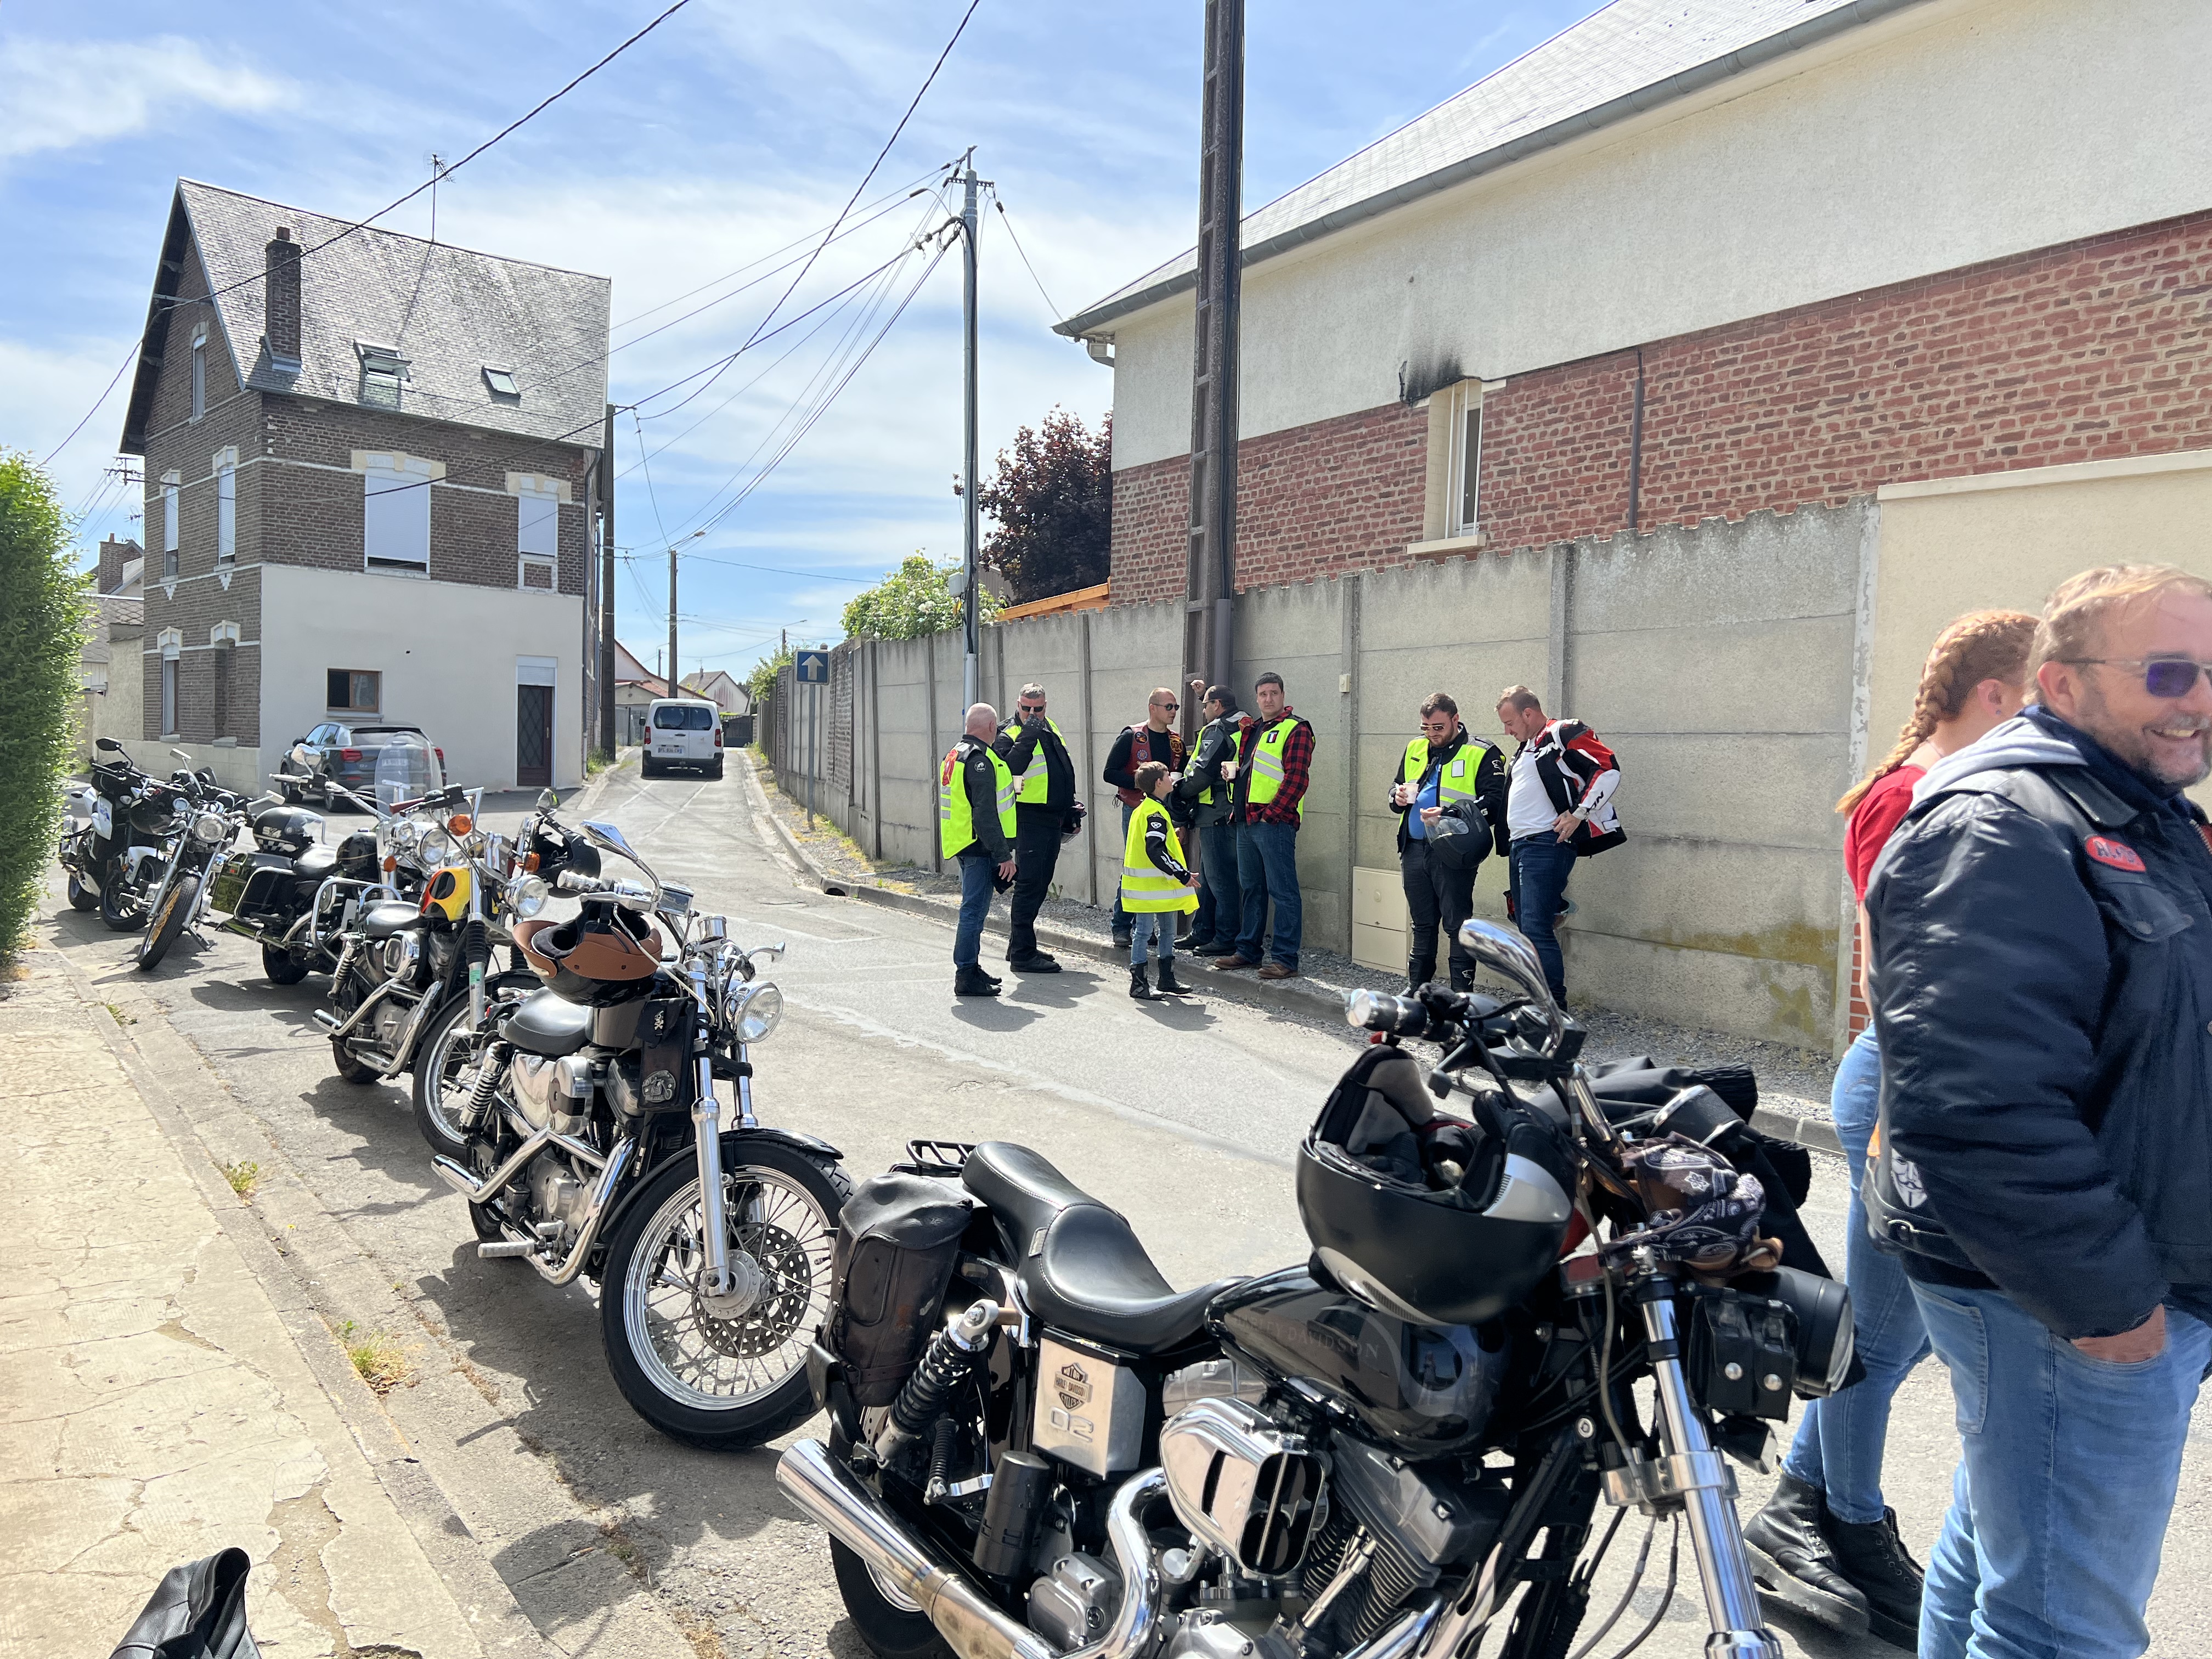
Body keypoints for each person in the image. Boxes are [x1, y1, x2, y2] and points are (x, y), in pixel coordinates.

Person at [1867, 565, 2212, 1659]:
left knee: (2001, 1562)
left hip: (2118, 1276)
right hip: (2067, 1301)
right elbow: (1979, 1104)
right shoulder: (2000, 825)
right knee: (2063, 1629)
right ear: (2059, 685)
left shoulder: (2148, 814)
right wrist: (2110, 1308)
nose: (2199, 698)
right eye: (2168, 671)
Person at [1743, 609, 2036, 1651]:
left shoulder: (1943, 783)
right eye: (2036, 696)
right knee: (1873, 1337)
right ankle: (1846, 1524)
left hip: (1911, 1082)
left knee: (1893, 1334)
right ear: (1995, 693)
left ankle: (1804, 1500)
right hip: (1905, 1084)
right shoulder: (1915, 794)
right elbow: (1906, 972)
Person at [1495, 686, 1622, 1003]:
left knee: (1536, 929)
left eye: (1510, 723)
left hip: (1545, 844)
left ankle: (1553, 1010)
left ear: (1528, 713)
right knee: (1528, 929)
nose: (1507, 731)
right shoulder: (1526, 747)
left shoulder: (1562, 731)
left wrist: (1579, 813)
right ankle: (1540, 1005)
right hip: (1522, 846)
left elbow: (1607, 768)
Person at [1389, 691, 1506, 992]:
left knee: (1457, 925)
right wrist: (1396, 797)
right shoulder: (1415, 747)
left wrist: (1449, 813)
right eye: (1426, 728)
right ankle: (1418, 989)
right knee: (1422, 923)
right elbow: (1396, 785)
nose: (1432, 734)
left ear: (1456, 720)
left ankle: (1461, 996)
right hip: (1414, 847)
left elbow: (1495, 803)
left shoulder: (1482, 752)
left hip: (1454, 851)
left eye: (1438, 727)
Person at [1216, 672, 1312, 980]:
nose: (1268, 699)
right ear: (1257, 698)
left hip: (1274, 823)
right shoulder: (1253, 729)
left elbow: (1297, 779)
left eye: (1273, 693)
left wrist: (1272, 815)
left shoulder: (1297, 729)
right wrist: (1233, 777)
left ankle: (1285, 959)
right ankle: (1248, 951)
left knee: (1283, 892)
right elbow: (1255, 773)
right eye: (1263, 694)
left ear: (1283, 695)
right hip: (1245, 820)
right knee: (1252, 889)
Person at [994, 681, 1079, 974]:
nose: (1032, 714)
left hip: (1051, 818)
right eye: (1026, 708)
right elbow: (1010, 770)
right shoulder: (1008, 734)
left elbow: (1061, 770)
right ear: (1017, 705)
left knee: (1041, 883)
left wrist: (1069, 809)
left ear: (1046, 706)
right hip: (1028, 818)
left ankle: (1020, 945)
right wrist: (1029, 733)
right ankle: (1022, 954)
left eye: (1038, 709)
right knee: (1030, 885)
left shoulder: (1049, 726)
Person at [939, 702, 1017, 998]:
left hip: (964, 842)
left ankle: (971, 967)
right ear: (992, 727)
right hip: (979, 847)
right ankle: (966, 974)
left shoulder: (956, 753)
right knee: (973, 912)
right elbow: (984, 814)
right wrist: (1003, 855)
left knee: (974, 910)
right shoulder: (979, 759)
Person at [1103, 689, 1187, 949]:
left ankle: (1146, 928)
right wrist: (1142, 784)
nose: (1174, 712)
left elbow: (1181, 780)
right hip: (1136, 810)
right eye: (1169, 707)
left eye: (1176, 707)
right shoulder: (1132, 736)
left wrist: (1181, 820)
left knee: (1160, 868)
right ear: (1153, 708)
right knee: (1135, 868)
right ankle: (1121, 926)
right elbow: (1109, 773)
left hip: (1166, 812)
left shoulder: (1176, 742)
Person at [1121, 760, 1199, 1000]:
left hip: (1158, 888)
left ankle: (1166, 980)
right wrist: (1182, 874)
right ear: (1158, 783)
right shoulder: (1154, 812)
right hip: (1151, 889)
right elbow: (1155, 849)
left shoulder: (1147, 808)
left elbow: (1154, 843)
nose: (1171, 779)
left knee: (1165, 932)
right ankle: (1139, 985)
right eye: (1167, 776)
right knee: (1146, 933)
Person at [1178, 684, 1243, 955]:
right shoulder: (1245, 723)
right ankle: (1203, 931)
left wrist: (1177, 792)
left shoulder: (1217, 729)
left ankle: (1226, 939)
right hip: (1231, 811)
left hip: (1215, 813)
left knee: (1220, 880)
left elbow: (1202, 774)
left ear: (1217, 705)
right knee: (1208, 878)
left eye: (1205, 705)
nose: (1203, 710)